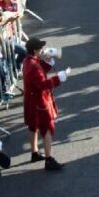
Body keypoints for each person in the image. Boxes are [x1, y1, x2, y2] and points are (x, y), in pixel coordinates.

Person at [22, 37, 70, 171]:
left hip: (32, 100)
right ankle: (49, 159)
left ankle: (34, 152)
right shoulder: (33, 65)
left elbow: (41, 70)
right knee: (47, 127)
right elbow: (42, 84)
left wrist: (48, 61)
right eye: (40, 48)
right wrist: (59, 78)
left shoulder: (29, 61)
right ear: (36, 50)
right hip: (40, 101)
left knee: (33, 125)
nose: (43, 50)